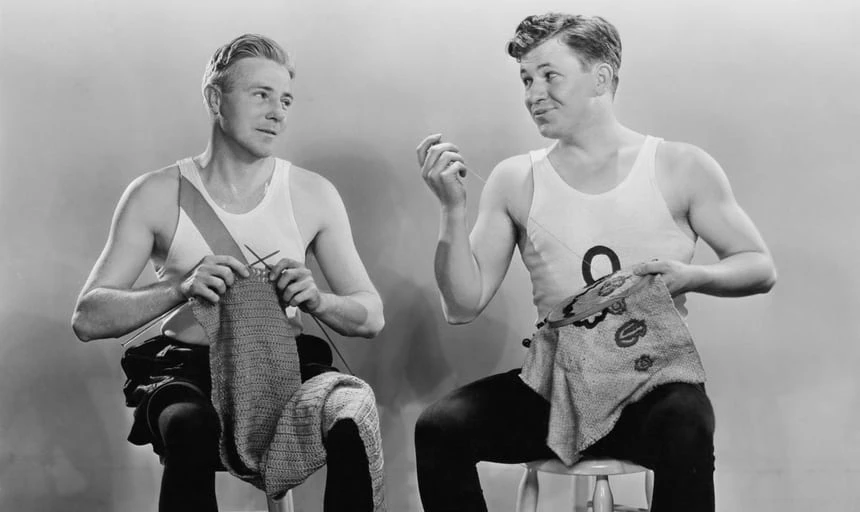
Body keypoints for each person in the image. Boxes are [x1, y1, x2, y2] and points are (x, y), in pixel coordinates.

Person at [414, 13, 776, 512]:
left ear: (601, 77)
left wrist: (691, 276)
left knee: (687, 424)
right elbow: (462, 304)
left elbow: (758, 266)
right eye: (525, 78)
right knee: (440, 427)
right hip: (557, 386)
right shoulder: (515, 178)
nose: (533, 93)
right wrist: (451, 210)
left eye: (549, 75)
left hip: (650, 382)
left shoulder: (678, 166)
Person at [71, 34, 384, 512]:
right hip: (189, 371)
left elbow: (370, 316)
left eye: (285, 100)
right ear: (216, 99)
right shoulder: (156, 193)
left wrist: (318, 298)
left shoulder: (313, 194)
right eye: (261, 94)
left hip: (286, 363)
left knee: (350, 418)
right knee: (189, 428)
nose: (278, 111)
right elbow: (88, 317)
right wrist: (179, 287)